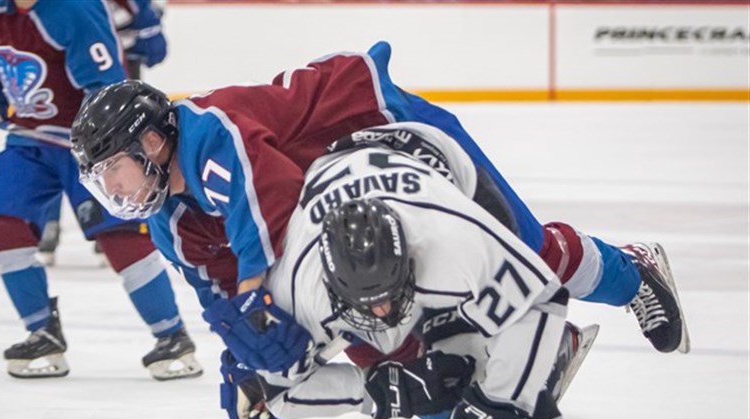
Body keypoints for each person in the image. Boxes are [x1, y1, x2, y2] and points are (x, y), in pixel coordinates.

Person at [69, 40, 688, 375]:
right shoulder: (168, 218)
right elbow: (220, 292)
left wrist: (265, 306)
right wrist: (249, 368)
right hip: (350, 191)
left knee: (525, 259)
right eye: (100, 183)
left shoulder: (207, 131)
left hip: (398, 134)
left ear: (151, 142)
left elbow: (272, 215)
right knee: (363, 320)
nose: (114, 193)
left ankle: (632, 272)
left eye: (112, 172)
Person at [222, 122, 600, 419]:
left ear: (409, 256)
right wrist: (383, 391)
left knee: (490, 362)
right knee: (476, 371)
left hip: (439, 167)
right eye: (366, 303)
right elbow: (279, 394)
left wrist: (494, 408)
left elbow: (539, 301)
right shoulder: (297, 291)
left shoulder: (449, 238)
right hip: (341, 175)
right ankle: (511, 373)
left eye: (388, 294)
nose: (383, 312)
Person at [0, 0, 200, 380]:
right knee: (4, 228)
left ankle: (172, 335)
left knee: (120, 238)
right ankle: (41, 331)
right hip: (29, 143)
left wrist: (98, 144)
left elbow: (107, 89)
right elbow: (5, 59)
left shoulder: (75, 9)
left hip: (87, 148)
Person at [37, 0, 168, 267]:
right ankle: (48, 222)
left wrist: (146, 23)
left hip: (115, 65)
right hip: (71, 68)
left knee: (113, 146)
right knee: (63, 148)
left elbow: (144, 27)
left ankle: (115, 221)